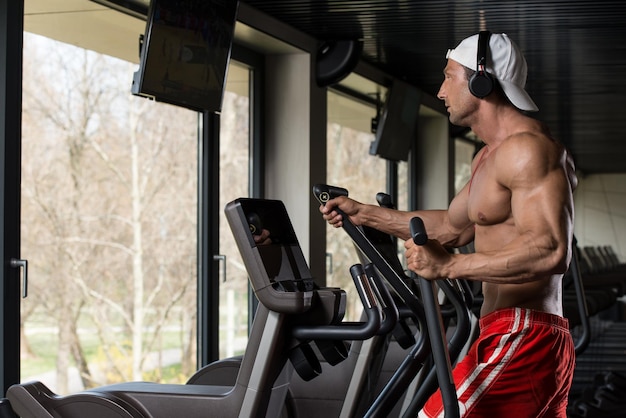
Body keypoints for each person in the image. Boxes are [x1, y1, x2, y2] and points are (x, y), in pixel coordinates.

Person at [320, 32, 577, 417]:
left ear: (480, 80)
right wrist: (364, 214)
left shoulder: (528, 150)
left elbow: (550, 249)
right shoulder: (488, 158)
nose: (441, 91)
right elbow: (451, 229)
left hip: (522, 334)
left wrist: (449, 266)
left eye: (449, 76)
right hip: (504, 331)